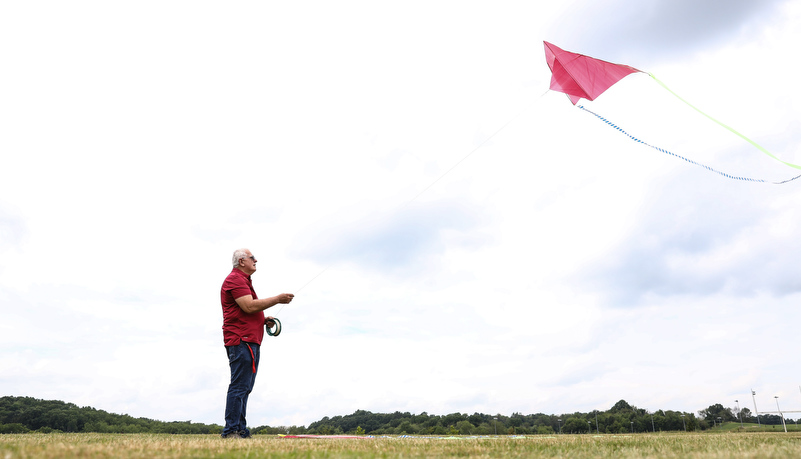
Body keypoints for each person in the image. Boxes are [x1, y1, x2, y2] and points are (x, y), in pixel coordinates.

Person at [220, 248, 294, 438]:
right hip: (241, 340)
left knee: (245, 387)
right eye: (253, 258)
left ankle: (240, 429)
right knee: (239, 386)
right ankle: (231, 430)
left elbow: (244, 311)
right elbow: (249, 306)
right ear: (242, 261)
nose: (256, 260)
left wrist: (262, 320)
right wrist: (278, 299)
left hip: (249, 340)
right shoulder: (235, 279)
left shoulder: (243, 280)